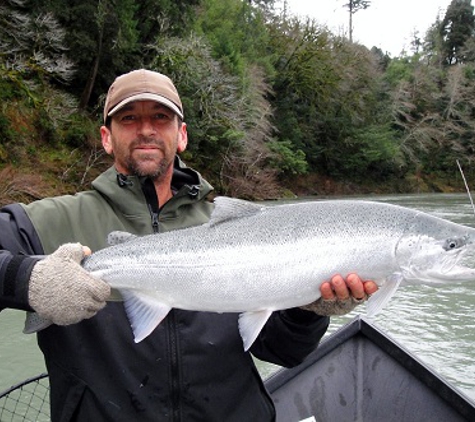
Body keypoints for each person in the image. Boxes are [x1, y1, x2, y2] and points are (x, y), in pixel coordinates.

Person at [0, 69, 377, 421]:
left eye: (161, 118)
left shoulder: (241, 227)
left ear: (181, 135)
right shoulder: (49, 221)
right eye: (129, 118)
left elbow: (284, 351)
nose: (146, 129)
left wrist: (308, 307)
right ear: (106, 137)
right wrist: (28, 278)